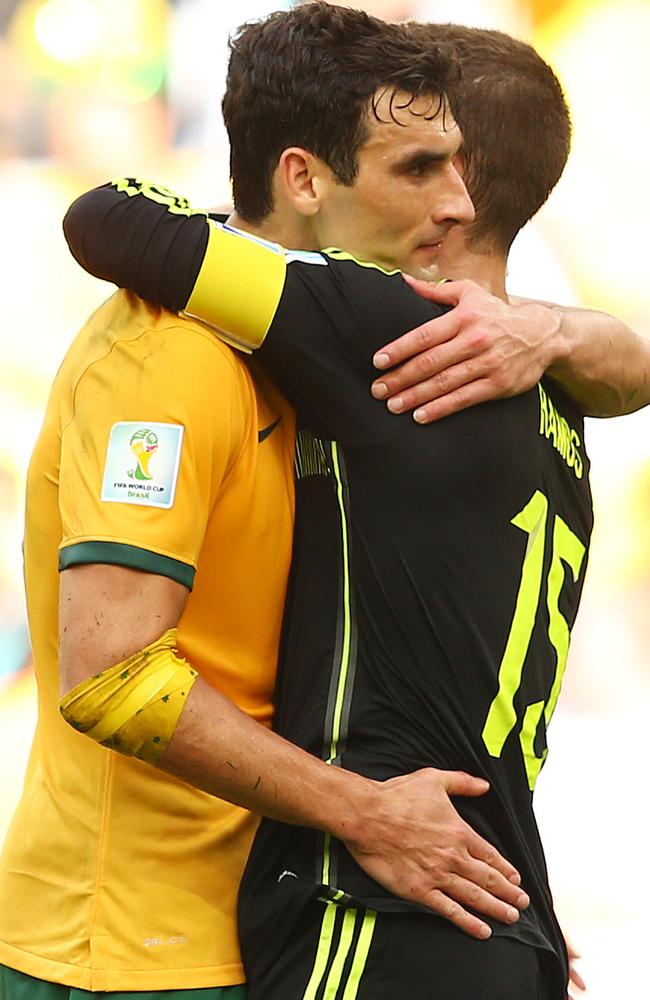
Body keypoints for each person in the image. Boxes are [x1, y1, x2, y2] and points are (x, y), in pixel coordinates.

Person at [58, 8, 650, 1000]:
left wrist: (275, 210)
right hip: (504, 919)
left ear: (460, 192)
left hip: (373, 912)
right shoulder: (558, 402)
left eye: (422, 158)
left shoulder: (381, 327)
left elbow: (110, 220)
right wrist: (555, 327)